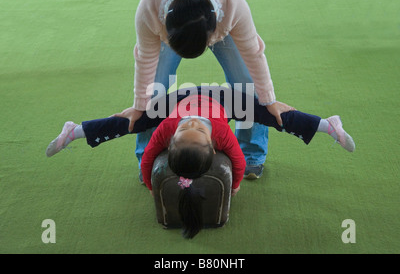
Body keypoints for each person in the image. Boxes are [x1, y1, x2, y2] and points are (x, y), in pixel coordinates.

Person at [46, 86, 355, 239]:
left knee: (134, 120)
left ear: (173, 137)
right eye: (192, 130)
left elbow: (152, 156)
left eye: (187, 130)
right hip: (221, 102)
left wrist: (150, 184)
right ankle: (74, 131)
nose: (192, 124)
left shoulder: (171, 125)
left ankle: (76, 130)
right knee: (270, 115)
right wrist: (233, 185)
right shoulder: (216, 131)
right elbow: (235, 158)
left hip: (184, 100)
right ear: (211, 143)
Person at [118, 0, 290, 181]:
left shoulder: (230, 3)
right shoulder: (150, 9)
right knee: (154, 91)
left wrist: (268, 100)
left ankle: (252, 156)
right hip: (175, 27)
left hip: (219, 17)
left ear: (213, 31)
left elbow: (253, 55)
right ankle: (148, 157)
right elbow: (146, 60)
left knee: (248, 86)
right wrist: (139, 106)